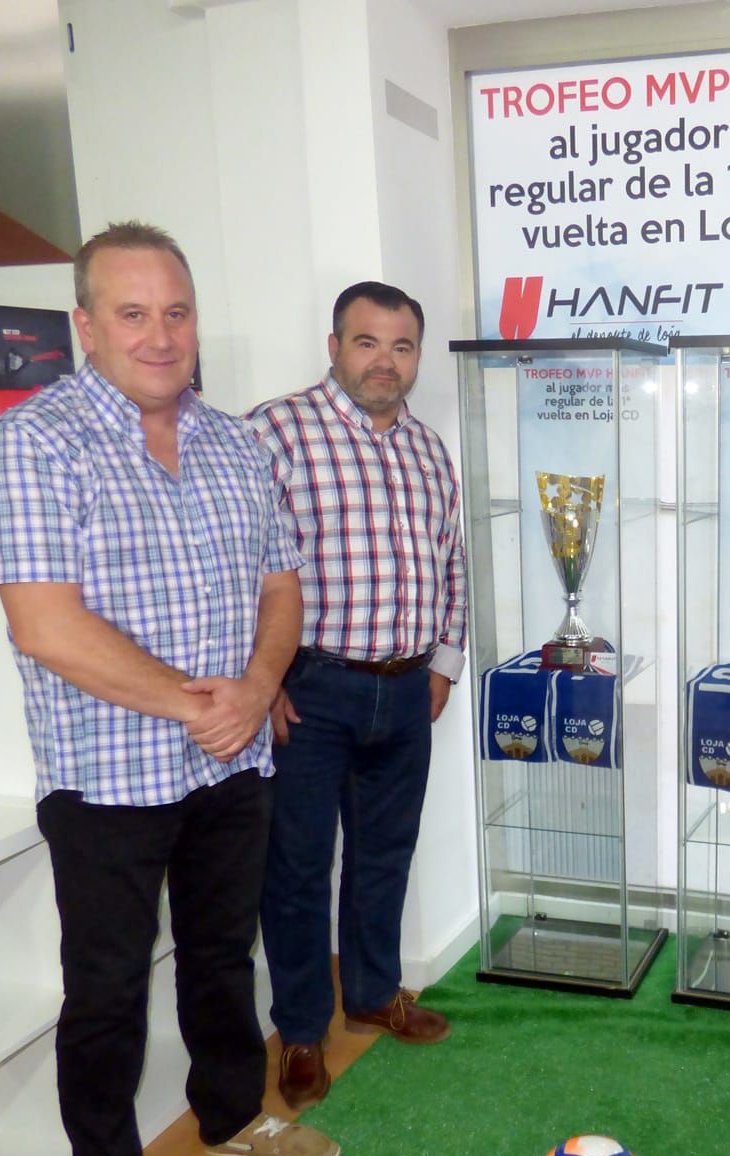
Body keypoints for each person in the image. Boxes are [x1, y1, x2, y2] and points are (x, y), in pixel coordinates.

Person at [0, 221, 339, 1156]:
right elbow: (45, 625)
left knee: (224, 955)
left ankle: (230, 1115)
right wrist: (196, 703)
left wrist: (260, 689)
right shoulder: (32, 448)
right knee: (108, 995)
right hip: (108, 781)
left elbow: (281, 584)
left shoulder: (233, 445)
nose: (159, 335)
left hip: (229, 770)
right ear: (85, 324)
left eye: (175, 312)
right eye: (132, 313)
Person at [248, 281, 467, 1112]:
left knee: (385, 854)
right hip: (311, 687)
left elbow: (452, 565)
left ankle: (373, 993)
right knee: (299, 868)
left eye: (401, 345)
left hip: (405, 691)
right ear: (334, 345)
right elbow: (238, 568)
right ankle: (302, 1031)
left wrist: (442, 662)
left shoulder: (427, 449)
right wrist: (259, 680)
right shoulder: (275, 432)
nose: (385, 361)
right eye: (367, 342)